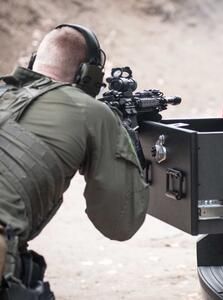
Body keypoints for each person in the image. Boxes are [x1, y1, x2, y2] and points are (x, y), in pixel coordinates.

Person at [0, 24, 149, 299]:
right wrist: (126, 146)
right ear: (87, 74)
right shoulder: (90, 112)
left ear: (35, 60)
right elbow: (120, 223)